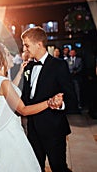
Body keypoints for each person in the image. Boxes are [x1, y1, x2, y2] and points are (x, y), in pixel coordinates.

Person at [0, 44, 63, 172]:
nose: (12, 58)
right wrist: (49, 103)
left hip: (0, 130)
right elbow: (23, 109)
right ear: (3, 59)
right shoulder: (4, 83)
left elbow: (9, 92)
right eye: (8, 55)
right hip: (9, 132)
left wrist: (20, 72)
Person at [21, 26, 77, 172]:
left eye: (27, 45)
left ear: (39, 44)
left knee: (58, 168)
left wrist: (60, 104)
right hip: (33, 130)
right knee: (35, 168)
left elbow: (71, 98)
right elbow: (26, 98)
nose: (25, 49)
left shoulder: (59, 65)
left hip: (54, 130)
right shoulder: (28, 67)